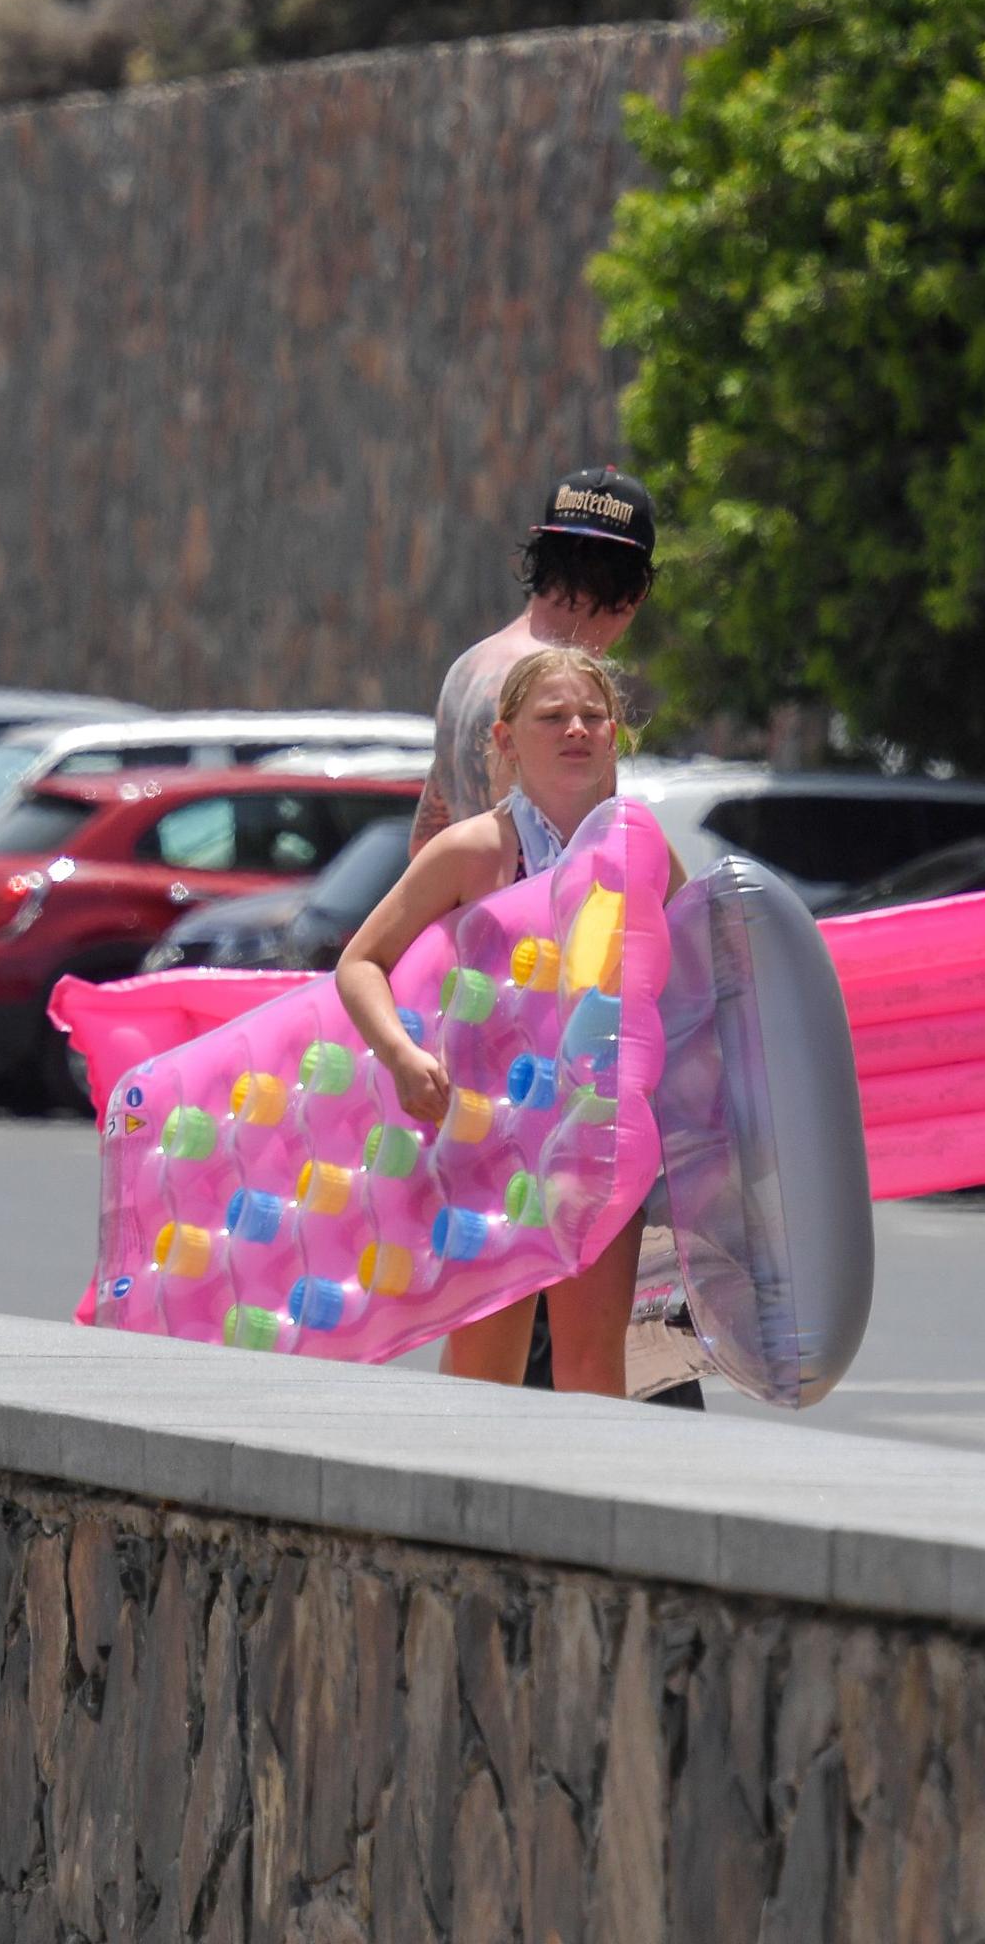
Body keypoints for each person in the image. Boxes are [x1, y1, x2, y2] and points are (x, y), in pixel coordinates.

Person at [338, 647, 685, 1398]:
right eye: (552, 717)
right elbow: (360, 963)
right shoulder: (474, 850)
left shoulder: (639, 846)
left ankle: (587, 1515)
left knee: (595, 1370)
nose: (576, 731)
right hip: (485, 1143)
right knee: (482, 1376)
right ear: (505, 740)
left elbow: (686, 967)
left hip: (599, 1133)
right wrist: (399, 1056)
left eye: (594, 717)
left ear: (615, 735)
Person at [408, 465, 656, 859]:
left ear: (539, 561)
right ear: (638, 589)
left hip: (467, 914)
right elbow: (578, 870)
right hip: (534, 921)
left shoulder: (470, 665)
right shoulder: (573, 696)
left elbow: (425, 841)